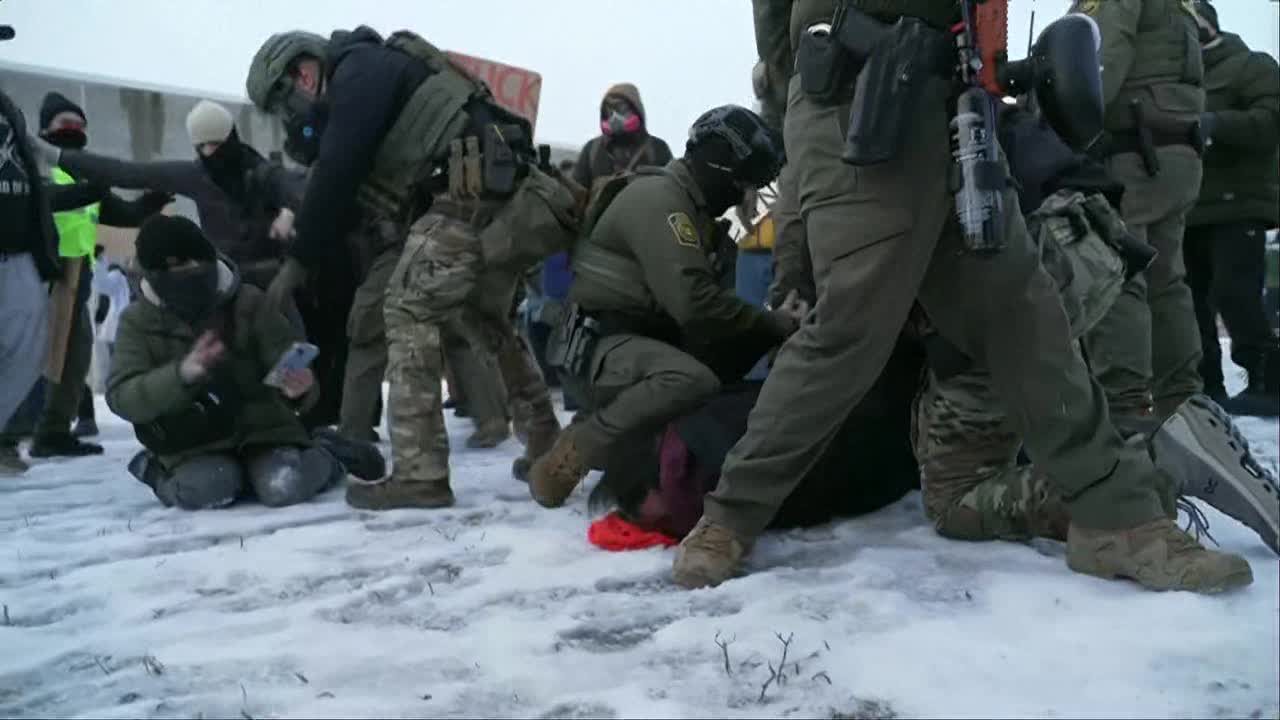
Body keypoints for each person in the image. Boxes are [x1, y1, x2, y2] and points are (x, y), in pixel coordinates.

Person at [672, 2, 1251, 594]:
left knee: (1024, 315)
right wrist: (802, 89)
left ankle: (1118, 516)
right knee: (849, 331)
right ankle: (729, 517)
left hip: (959, 102)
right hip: (857, 98)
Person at [917, 102, 1278, 554]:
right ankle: (1161, 449)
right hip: (1081, 235)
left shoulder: (878, 114)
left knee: (956, 500)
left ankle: (1156, 467)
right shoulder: (947, 91)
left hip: (1018, 267)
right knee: (1044, 429)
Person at [247, 27, 566, 508]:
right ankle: (544, 438)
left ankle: (421, 473)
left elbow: (339, 170)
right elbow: (354, 192)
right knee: (481, 316)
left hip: (476, 197)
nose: (291, 113)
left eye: (286, 99)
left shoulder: (359, 68)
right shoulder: (369, 76)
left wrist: (298, 262)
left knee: (407, 309)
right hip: (494, 198)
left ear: (305, 73)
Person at [526, 105, 803, 508]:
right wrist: (773, 324)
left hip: (635, 345)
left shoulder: (693, 212)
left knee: (733, 353)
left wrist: (762, 331)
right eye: (742, 183)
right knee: (692, 380)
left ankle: (633, 444)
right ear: (720, 165)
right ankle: (573, 453)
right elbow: (693, 303)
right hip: (601, 345)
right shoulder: (661, 202)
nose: (743, 197)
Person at [106, 215, 366, 510]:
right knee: (207, 490)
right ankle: (154, 472)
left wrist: (299, 388)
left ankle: (331, 455)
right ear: (154, 275)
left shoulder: (250, 302)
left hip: (264, 432)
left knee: (284, 486)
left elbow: (287, 364)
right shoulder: (138, 321)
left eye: (194, 265)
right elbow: (122, 396)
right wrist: (181, 375)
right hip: (192, 441)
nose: (188, 275)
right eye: (175, 269)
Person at [589, 340, 922, 541]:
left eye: (634, 511)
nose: (644, 523)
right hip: (877, 408)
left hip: (885, 448)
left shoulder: (696, 485)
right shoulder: (693, 431)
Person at [2, 92, 168, 461]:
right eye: (65, 125)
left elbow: (122, 213)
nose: (74, 130)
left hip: (77, 275)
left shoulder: (86, 177)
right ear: (45, 130)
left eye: (79, 125)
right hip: (42, 271)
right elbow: (53, 198)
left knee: (74, 355)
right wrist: (93, 187)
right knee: (29, 353)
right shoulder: (39, 166)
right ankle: (10, 433)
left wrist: (149, 203)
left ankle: (54, 431)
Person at [1073, 0, 1209, 435]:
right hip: (1172, 152)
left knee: (1116, 276)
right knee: (1167, 282)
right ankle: (1184, 406)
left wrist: (1061, 129)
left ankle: (1126, 410)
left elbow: (1102, 59)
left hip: (1132, 152)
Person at [42, 99, 305, 290]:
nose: (209, 153)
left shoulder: (261, 173)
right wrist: (59, 156)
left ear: (231, 138)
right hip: (228, 282)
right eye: (201, 146)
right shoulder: (195, 175)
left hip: (275, 280)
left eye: (216, 143)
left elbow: (304, 191)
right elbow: (126, 172)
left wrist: (289, 213)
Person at [1183, 1, 1280, 417]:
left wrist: (1215, 124)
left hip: (1238, 205)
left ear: (1206, 25)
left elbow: (1271, 121)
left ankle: (1267, 379)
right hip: (1186, 207)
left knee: (1233, 292)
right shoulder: (1176, 76)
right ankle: (1207, 386)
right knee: (1189, 301)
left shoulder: (1250, 66)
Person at [572, 84, 674, 200]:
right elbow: (576, 196)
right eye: (609, 111)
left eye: (622, 110)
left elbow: (671, 191)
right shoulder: (592, 150)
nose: (615, 117)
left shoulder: (657, 148)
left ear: (636, 111)